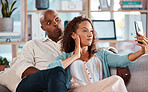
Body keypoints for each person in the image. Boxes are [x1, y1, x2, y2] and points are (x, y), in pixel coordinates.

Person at [47, 16, 148, 92]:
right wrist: (75, 56)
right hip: (78, 90)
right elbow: (51, 69)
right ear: (73, 35)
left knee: (115, 82)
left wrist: (141, 52)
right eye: (85, 30)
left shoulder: (101, 54)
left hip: (101, 89)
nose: (90, 34)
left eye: (91, 31)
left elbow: (121, 60)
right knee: (116, 80)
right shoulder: (66, 57)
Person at [0, 9, 66, 92]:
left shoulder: (72, 45)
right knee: (57, 71)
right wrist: (48, 76)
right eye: (49, 23)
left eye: (57, 19)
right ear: (43, 28)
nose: (55, 24)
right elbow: (24, 68)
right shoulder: (33, 44)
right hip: (30, 84)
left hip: (56, 86)